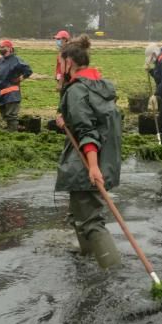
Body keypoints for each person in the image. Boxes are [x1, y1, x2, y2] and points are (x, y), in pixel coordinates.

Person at [55, 35, 122, 269]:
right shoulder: (98, 85)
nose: (59, 68)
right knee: (78, 213)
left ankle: (113, 273)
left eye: (60, 63)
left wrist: (92, 166)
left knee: (91, 220)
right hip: (104, 158)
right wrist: (66, 122)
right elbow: (92, 120)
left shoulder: (76, 91)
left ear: (69, 62)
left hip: (87, 161)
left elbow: (87, 130)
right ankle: (89, 256)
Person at [0, 39, 33, 131]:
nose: (1, 49)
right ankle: (12, 127)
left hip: (12, 92)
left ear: (9, 48)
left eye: (3, 47)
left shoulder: (17, 60)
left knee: (11, 114)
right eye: (0, 48)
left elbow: (28, 70)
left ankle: (13, 132)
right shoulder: (0, 60)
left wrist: (20, 79)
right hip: (1, 92)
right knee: (5, 114)